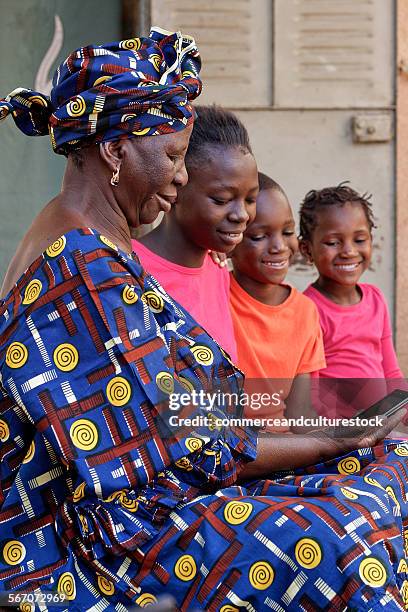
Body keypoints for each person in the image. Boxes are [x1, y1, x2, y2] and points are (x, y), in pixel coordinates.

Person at [0, 31, 407, 611]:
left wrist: (329, 437)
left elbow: (183, 420)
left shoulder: (93, 242)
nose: (180, 176)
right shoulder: (78, 262)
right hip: (103, 540)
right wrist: (327, 439)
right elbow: (180, 443)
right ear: (116, 152)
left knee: (387, 468)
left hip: (156, 496)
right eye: (170, 156)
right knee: (344, 536)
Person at [132, 105, 259, 363]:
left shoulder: (216, 265)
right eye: (222, 200)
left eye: (250, 199)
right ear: (175, 187)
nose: (242, 214)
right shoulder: (132, 271)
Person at [229, 173, 326, 432]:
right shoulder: (215, 293)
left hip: (283, 450)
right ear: (230, 242)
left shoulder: (305, 311)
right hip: (232, 449)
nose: (279, 246)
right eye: (260, 236)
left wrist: (346, 436)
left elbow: (300, 413)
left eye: (288, 232)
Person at [299, 183, 405, 418]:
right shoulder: (307, 310)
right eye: (333, 242)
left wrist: (403, 408)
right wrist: (347, 424)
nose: (348, 251)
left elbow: (391, 370)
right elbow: (310, 392)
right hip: (340, 434)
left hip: (383, 425)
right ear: (307, 250)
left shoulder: (375, 298)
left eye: (359, 240)